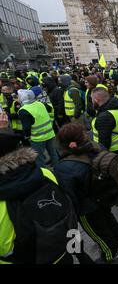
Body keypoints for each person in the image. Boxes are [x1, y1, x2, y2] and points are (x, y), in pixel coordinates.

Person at [0, 112, 73, 264]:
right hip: (63, 250)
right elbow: (69, 212)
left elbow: (6, 250)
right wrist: (77, 251)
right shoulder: (45, 173)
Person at [54, 123, 118, 263]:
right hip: (103, 195)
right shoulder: (96, 146)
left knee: (98, 231)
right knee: (107, 216)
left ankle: (110, 253)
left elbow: (70, 196)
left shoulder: (64, 168)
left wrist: (72, 216)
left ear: (69, 145)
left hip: (87, 207)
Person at [91, 87, 118, 204]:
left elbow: (104, 141)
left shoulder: (105, 116)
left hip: (113, 150)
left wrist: (101, 155)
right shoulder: (113, 107)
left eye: (92, 99)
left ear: (96, 100)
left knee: (117, 172)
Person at [17, 89, 59, 168]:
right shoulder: (40, 104)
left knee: (39, 158)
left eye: (19, 97)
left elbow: (26, 128)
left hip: (37, 138)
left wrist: (27, 136)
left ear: (22, 98)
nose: (17, 98)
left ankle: (43, 174)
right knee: (53, 153)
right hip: (49, 133)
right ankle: (58, 168)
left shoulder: (23, 110)